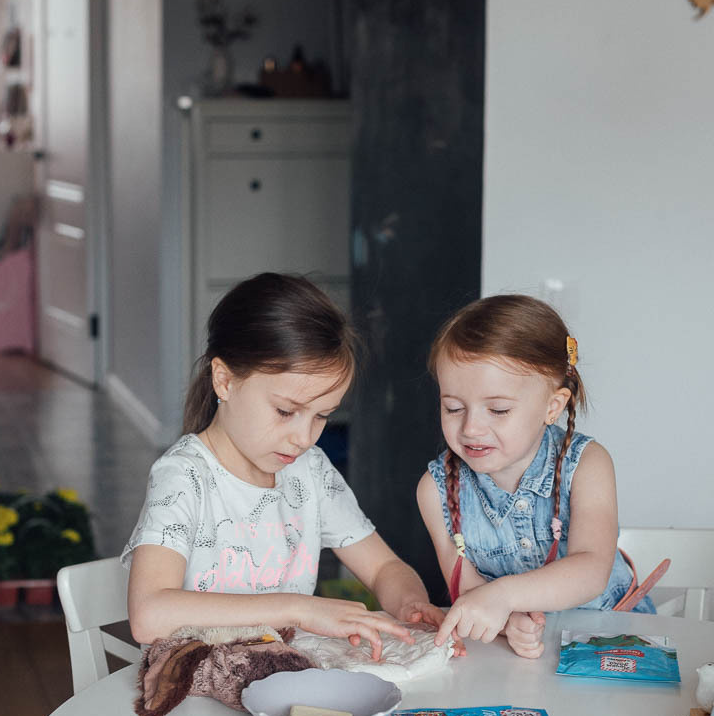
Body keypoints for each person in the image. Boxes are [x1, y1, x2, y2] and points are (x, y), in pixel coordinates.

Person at [124, 272, 444, 659]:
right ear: (224, 380)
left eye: (322, 415)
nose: (304, 437)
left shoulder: (310, 471)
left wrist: (410, 604)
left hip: (282, 681)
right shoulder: (184, 477)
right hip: (195, 692)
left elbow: (382, 569)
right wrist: (299, 608)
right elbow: (149, 614)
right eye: (286, 411)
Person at [419, 294, 654, 660]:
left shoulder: (588, 464)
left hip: (613, 640)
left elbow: (591, 568)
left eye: (497, 409)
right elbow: (467, 587)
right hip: (517, 656)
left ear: (552, 406)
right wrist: (507, 620)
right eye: (453, 407)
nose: (471, 427)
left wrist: (503, 596)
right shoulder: (435, 492)